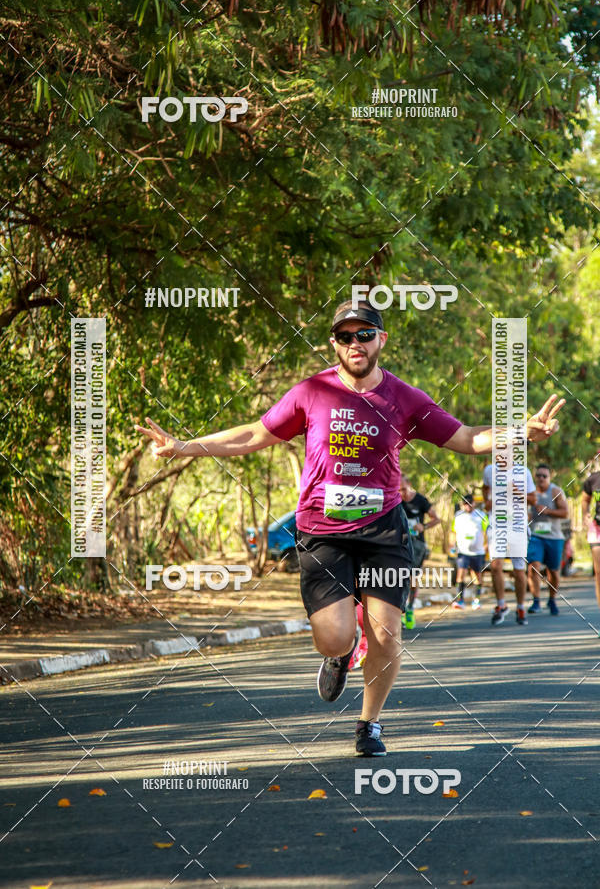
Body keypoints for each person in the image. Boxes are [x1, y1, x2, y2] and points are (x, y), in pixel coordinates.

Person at [135, 299, 564, 757]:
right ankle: (340, 654)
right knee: (335, 635)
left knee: (386, 633)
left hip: (384, 532)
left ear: (382, 340)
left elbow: (464, 438)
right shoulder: (311, 392)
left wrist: (519, 432)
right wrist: (184, 446)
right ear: (334, 344)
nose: (355, 343)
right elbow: (254, 435)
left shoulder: (404, 397)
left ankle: (370, 725)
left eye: (364, 334)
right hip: (322, 531)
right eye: (345, 336)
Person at [482, 463, 537, 626]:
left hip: (517, 526)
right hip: (497, 525)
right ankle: (501, 604)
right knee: (496, 566)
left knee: (519, 571)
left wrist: (516, 491)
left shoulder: (523, 472)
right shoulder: (489, 470)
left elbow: (533, 499)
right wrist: (488, 500)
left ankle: (520, 607)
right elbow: (485, 488)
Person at [399, 475, 441, 628]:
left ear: (409, 484)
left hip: (417, 545)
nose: (402, 493)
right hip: (400, 544)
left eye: (403, 489)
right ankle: (400, 612)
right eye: (398, 490)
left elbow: (437, 519)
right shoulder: (395, 500)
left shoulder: (420, 500)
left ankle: (410, 608)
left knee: (412, 578)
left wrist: (424, 527)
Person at [527, 464, 568, 615]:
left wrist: (548, 511)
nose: (541, 479)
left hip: (554, 537)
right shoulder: (531, 492)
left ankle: (552, 599)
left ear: (549, 477)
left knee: (553, 572)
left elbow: (565, 513)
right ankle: (536, 601)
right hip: (536, 536)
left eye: (544, 476)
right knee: (533, 566)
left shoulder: (556, 491)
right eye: (538, 476)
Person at [449, 493, 488, 609]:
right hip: (463, 551)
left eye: (470, 503)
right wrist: (451, 545)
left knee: (476, 575)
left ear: (474, 503)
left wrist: (486, 546)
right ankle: (460, 600)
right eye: (465, 504)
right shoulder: (458, 516)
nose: (468, 506)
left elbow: (487, 532)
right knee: (460, 574)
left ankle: (476, 600)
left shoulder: (481, 515)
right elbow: (453, 532)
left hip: (478, 552)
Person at [581, 467, 600, 631]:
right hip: (597, 529)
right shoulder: (593, 479)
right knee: (599, 572)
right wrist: (585, 515)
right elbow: (585, 500)